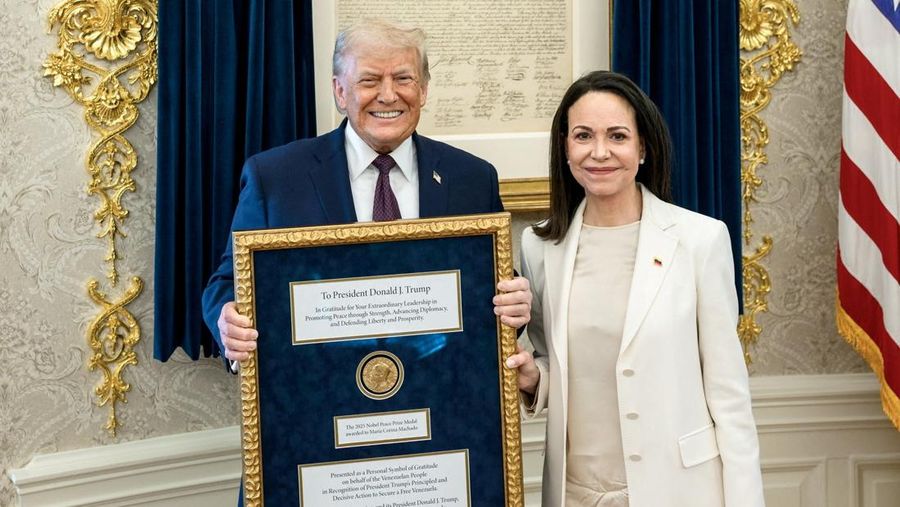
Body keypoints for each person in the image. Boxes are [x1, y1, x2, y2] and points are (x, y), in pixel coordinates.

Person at [201, 19, 532, 370]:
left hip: (440, 390)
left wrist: (514, 306)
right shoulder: (276, 178)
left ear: (423, 90)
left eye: (403, 79)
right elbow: (228, 283)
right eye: (370, 80)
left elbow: (494, 289)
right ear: (340, 92)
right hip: (318, 391)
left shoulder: (472, 178)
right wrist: (228, 322)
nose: (388, 95)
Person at [505, 71, 765, 506]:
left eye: (617, 136)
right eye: (583, 135)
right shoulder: (540, 246)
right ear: (565, 148)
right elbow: (556, 360)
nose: (599, 152)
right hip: (574, 492)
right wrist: (535, 379)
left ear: (642, 147)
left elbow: (729, 393)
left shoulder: (700, 240)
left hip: (680, 490)